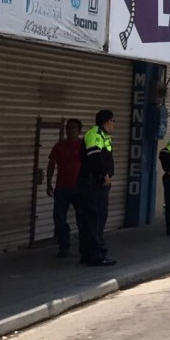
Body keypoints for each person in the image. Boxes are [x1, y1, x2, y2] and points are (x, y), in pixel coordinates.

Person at [76, 110, 116, 266]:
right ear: (106, 121)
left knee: (91, 219)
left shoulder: (104, 136)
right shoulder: (95, 134)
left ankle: (88, 254)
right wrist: (103, 175)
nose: (114, 124)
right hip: (93, 183)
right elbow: (95, 158)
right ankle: (97, 255)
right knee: (96, 218)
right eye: (113, 121)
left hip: (94, 182)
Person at [46, 118, 83, 258]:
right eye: (68, 127)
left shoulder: (84, 146)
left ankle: (84, 246)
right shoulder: (59, 146)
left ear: (79, 130)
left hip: (79, 188)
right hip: (62, 187)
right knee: (59, 218)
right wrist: (49, 182)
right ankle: (64, 246)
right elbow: (51, 164)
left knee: (82, 218)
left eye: (73, 128)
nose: (70, 130)